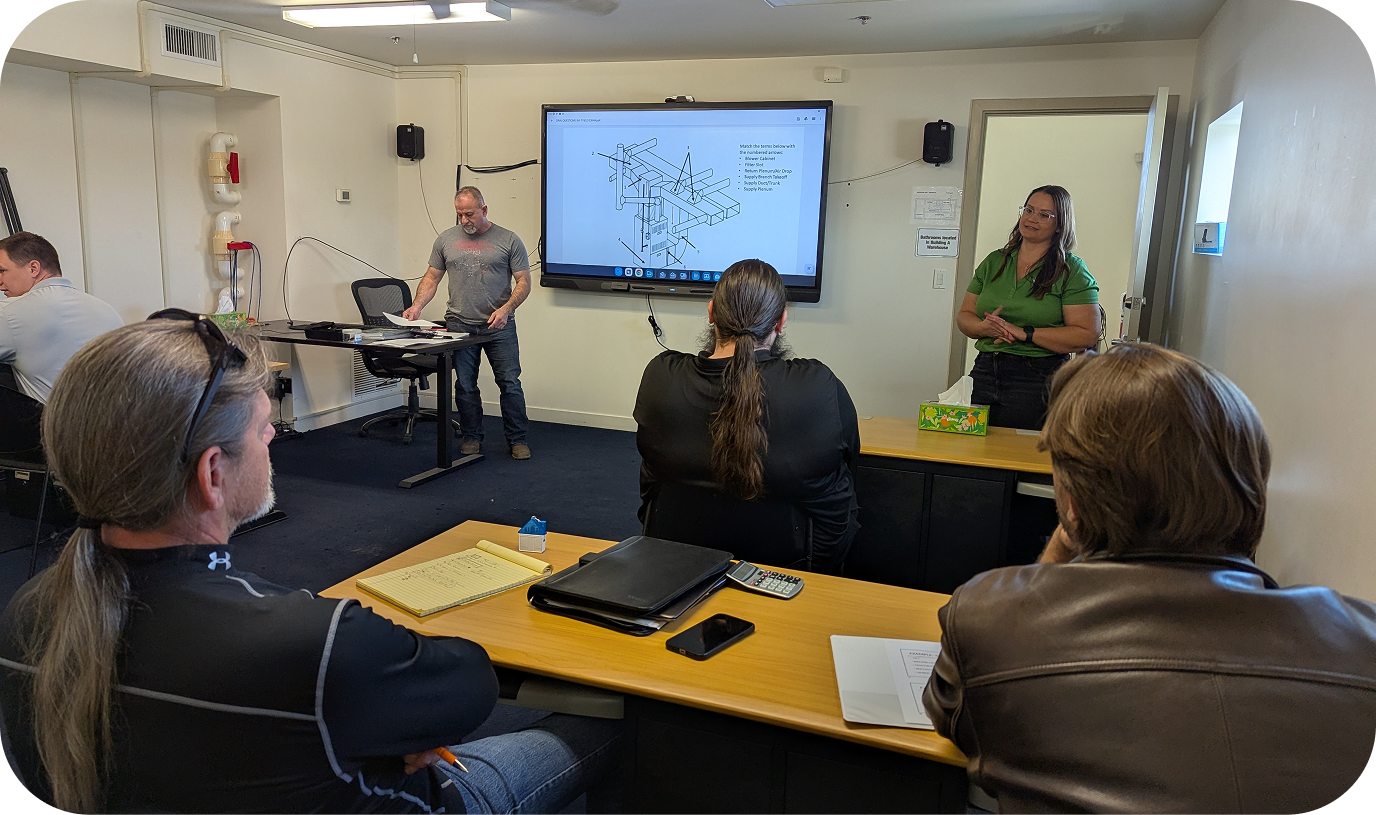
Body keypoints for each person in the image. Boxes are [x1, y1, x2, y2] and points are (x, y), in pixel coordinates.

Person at [0, 315, 619, 814]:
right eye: (266, 429)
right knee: (615, 731)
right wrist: (381, 749)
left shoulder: (27, 618)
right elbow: (470, 687)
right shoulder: (317, 644)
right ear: (213, 475)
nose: (274, 443)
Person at [922, 343, 1376, 814]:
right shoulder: (1363, 635)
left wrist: (1065, 540)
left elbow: (950, 716)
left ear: (1071, 502)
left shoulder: (989, 619)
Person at [633, 259, 860, 573]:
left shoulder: (661, 377)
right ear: (780, 321)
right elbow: (850, 461)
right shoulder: (817, 387)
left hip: (677, 566)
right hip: (795, 574)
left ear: (711, 313)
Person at [403, 186, 533, 460]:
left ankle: (517, 440)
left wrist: (507, 308)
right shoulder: (445, 240)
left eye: (470, 214)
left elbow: (524, 281)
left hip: (498, 325)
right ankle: (472, 437)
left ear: (484, 210)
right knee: (464, 384)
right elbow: (431, 277)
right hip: (459, 323)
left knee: (509, 382)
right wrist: (417, 306)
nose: (465, 220)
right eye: (460, 215)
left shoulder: (509, 240)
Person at [955, 185, 1100, 430]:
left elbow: (1086, 334)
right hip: (986, 369)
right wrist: (983, 328)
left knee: (1021, 456)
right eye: (1029, 210)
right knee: (975, 451)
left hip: (1038, 376)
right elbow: (964, 316)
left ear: (1060, 224)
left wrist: (1025, 333)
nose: (1032, 218)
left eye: (1044, 215)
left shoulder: (1072, 271)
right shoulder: (995, 261)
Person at [0, 231, 122, 454]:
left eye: (2, 271)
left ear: (33, 268)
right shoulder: (107, 310)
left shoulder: (11, 314)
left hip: (58, 451)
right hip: (114, 442)